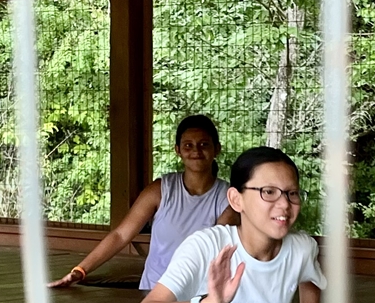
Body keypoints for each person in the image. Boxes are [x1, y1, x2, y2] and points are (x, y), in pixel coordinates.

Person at [131, 146, 363, 303]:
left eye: (292, 193)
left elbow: (311, 280)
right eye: (269, 192)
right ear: (236, 199)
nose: (284, 204)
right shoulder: (205, 246)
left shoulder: (301, 249)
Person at [50, 115, 237, 290]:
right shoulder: (161, 189)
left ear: (217, 149)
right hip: (152, 292)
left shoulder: (228, 198)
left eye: (204, 144)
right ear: (178, 150)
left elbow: (212, 249)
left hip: (199, 296)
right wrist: (80, 271)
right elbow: (121, 235)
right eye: (188, 145)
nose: (196, 151)